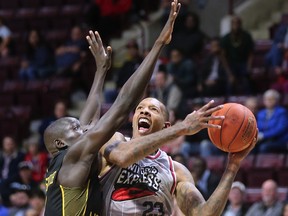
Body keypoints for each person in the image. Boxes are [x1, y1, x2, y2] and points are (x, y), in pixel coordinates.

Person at [44, 1, 181, 215]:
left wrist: (101, 71)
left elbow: (88, 122)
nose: (86, 128)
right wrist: (158, 45)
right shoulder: (74, 157)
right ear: (62, 143)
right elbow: (123, 104)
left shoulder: (68, 161)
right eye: (76, 129)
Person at [100, 97, 257, 215]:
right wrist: (182, 128)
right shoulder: (116, 140)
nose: (144, 111)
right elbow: (122, 157)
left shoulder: (175, 170)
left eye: (153, 109)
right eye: (140, 108)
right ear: (133, 120)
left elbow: (204, 214)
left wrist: (233, 166)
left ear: (165, 126)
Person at [221, 16, 254, 94]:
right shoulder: (226, 38)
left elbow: (250, 53)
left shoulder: (246, 36)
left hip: (243, 63)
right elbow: (223, 56)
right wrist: (229, 74)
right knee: (230, 81)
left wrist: (249, 66)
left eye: (237, 23)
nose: (235, 25)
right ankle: (229, 101)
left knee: (247, 79)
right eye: (233, 23)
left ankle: (248, 99)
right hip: (231, 64)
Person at [0, 136, 25, 206]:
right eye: (7, 144)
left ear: (14, 144)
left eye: (11, 144)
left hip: (12, 180)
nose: (9, 146)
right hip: (2, 180)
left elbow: (18, 173)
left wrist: (5, 180)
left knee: (4, 186)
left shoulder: (20, 156)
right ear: (3, 145)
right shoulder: (1, 156)